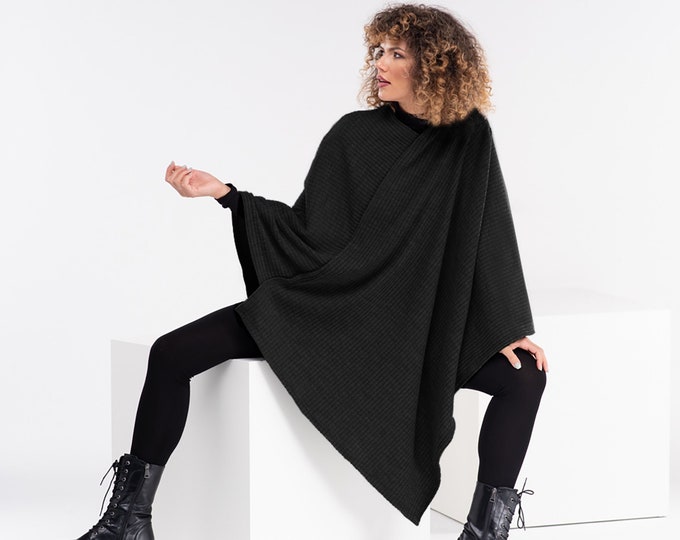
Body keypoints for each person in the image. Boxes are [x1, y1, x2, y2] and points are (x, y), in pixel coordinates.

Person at [75, 4, 547, 540]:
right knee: (170, 353)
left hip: (414, 324)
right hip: (329, 308)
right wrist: (226, 195)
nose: (379, 64)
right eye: (378, 52)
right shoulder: (353, 136)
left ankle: (485, 534)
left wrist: (505, 325)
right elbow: (308, 233)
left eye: (396, 53)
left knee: (525, 377)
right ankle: (128, 522)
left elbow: (488, 232)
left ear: (435, 64)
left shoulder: (469, 138)